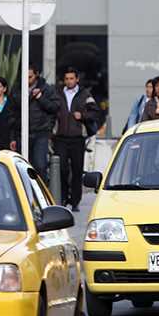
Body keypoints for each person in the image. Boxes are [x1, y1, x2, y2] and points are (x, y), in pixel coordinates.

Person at [55, 68, 101, 212]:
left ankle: (75, 201)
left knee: (76, 170)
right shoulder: (57, 93)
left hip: (77, 137)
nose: (69, 81)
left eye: (71, 78)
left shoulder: (85, 94)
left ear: (77, 79)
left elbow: (95, 112)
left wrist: (82, 115)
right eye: (67, 79)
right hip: (60, 137)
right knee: (61, 168)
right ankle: (62, 198)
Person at [16, 65, 61, 180]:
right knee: (22, 167)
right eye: (25, 77)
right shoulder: (17, 89)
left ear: (36, 75)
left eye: (30, 77)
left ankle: (41, 192)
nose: (27, 79)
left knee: (40, 165)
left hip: (41, 132)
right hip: (23, 133)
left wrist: (40, 98)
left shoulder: (47, 89)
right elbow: (13, 112)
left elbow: (54, 107)